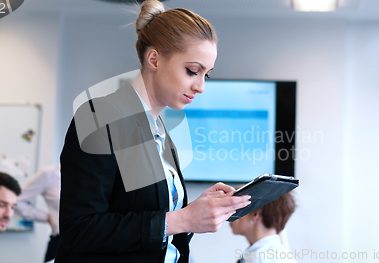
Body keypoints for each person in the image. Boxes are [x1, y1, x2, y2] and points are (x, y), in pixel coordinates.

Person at [55, 1, 251, 262]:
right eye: (192, 71)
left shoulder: (160, 133)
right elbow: (79, 230)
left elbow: (148, 217)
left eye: (207, 75)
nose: (201, 86)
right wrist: (180, 219)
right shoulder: (99, 117)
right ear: (154, 59)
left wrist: (193, 211)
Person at [230, 192, 297, 263]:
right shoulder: (282, 253)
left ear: (255, 214)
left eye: (236, 210)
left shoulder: (258, 258)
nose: (229, 216)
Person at [15, 164, 61, 263]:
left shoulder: (99, 173)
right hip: (61, 242)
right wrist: (47, 218)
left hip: (95, 242)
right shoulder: (50, 174)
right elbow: (17, 201)